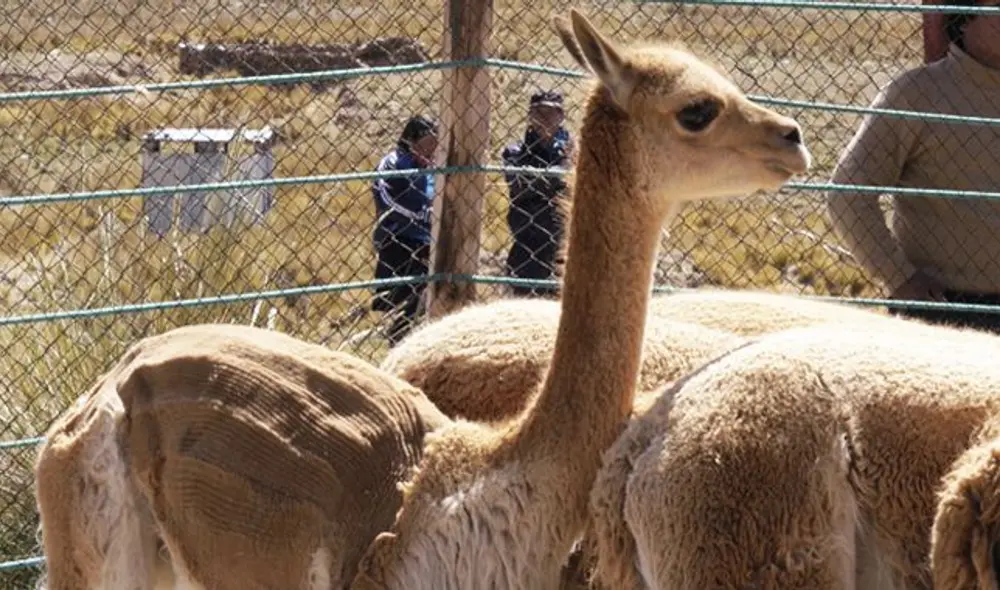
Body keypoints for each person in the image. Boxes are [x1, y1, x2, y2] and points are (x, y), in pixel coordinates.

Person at [825, 0, 1000, 331]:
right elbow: (847, 194)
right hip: (942, 309)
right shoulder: (915, 95)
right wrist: (899, 278)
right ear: (963, 18)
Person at [371, 114, 439, 346]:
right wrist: (418, 214)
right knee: (394, 298)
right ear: (412, 140)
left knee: (425, 294)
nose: (432, 150)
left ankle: (407, 337)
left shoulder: (433, 169)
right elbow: (386, 196)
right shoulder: (393, 162)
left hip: (427, 241)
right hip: (398, 237)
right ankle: (392, 339)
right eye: (428, 143)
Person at [501, 90, 574, 298]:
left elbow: (577, 186)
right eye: (540, 112)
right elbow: (518, 185)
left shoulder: (574, 150)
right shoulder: (515, 151)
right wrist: (559, 175)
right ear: (530, 116)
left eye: (552, 113)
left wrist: (540, 178)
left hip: (564, 241)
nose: (546, 118)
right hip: (528, 238)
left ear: (562, 117)